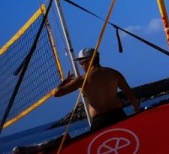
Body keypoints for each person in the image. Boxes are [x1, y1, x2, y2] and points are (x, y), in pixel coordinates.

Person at [14, 48, 143, 153]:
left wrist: (63, 83)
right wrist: (137, 110)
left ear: (88, 61)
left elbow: (57, 93)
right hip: (119, 115)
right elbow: (131, 96)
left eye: (81, 62)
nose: (81, 65)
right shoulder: (114, 73)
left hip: (100, 121)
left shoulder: (83, 79)